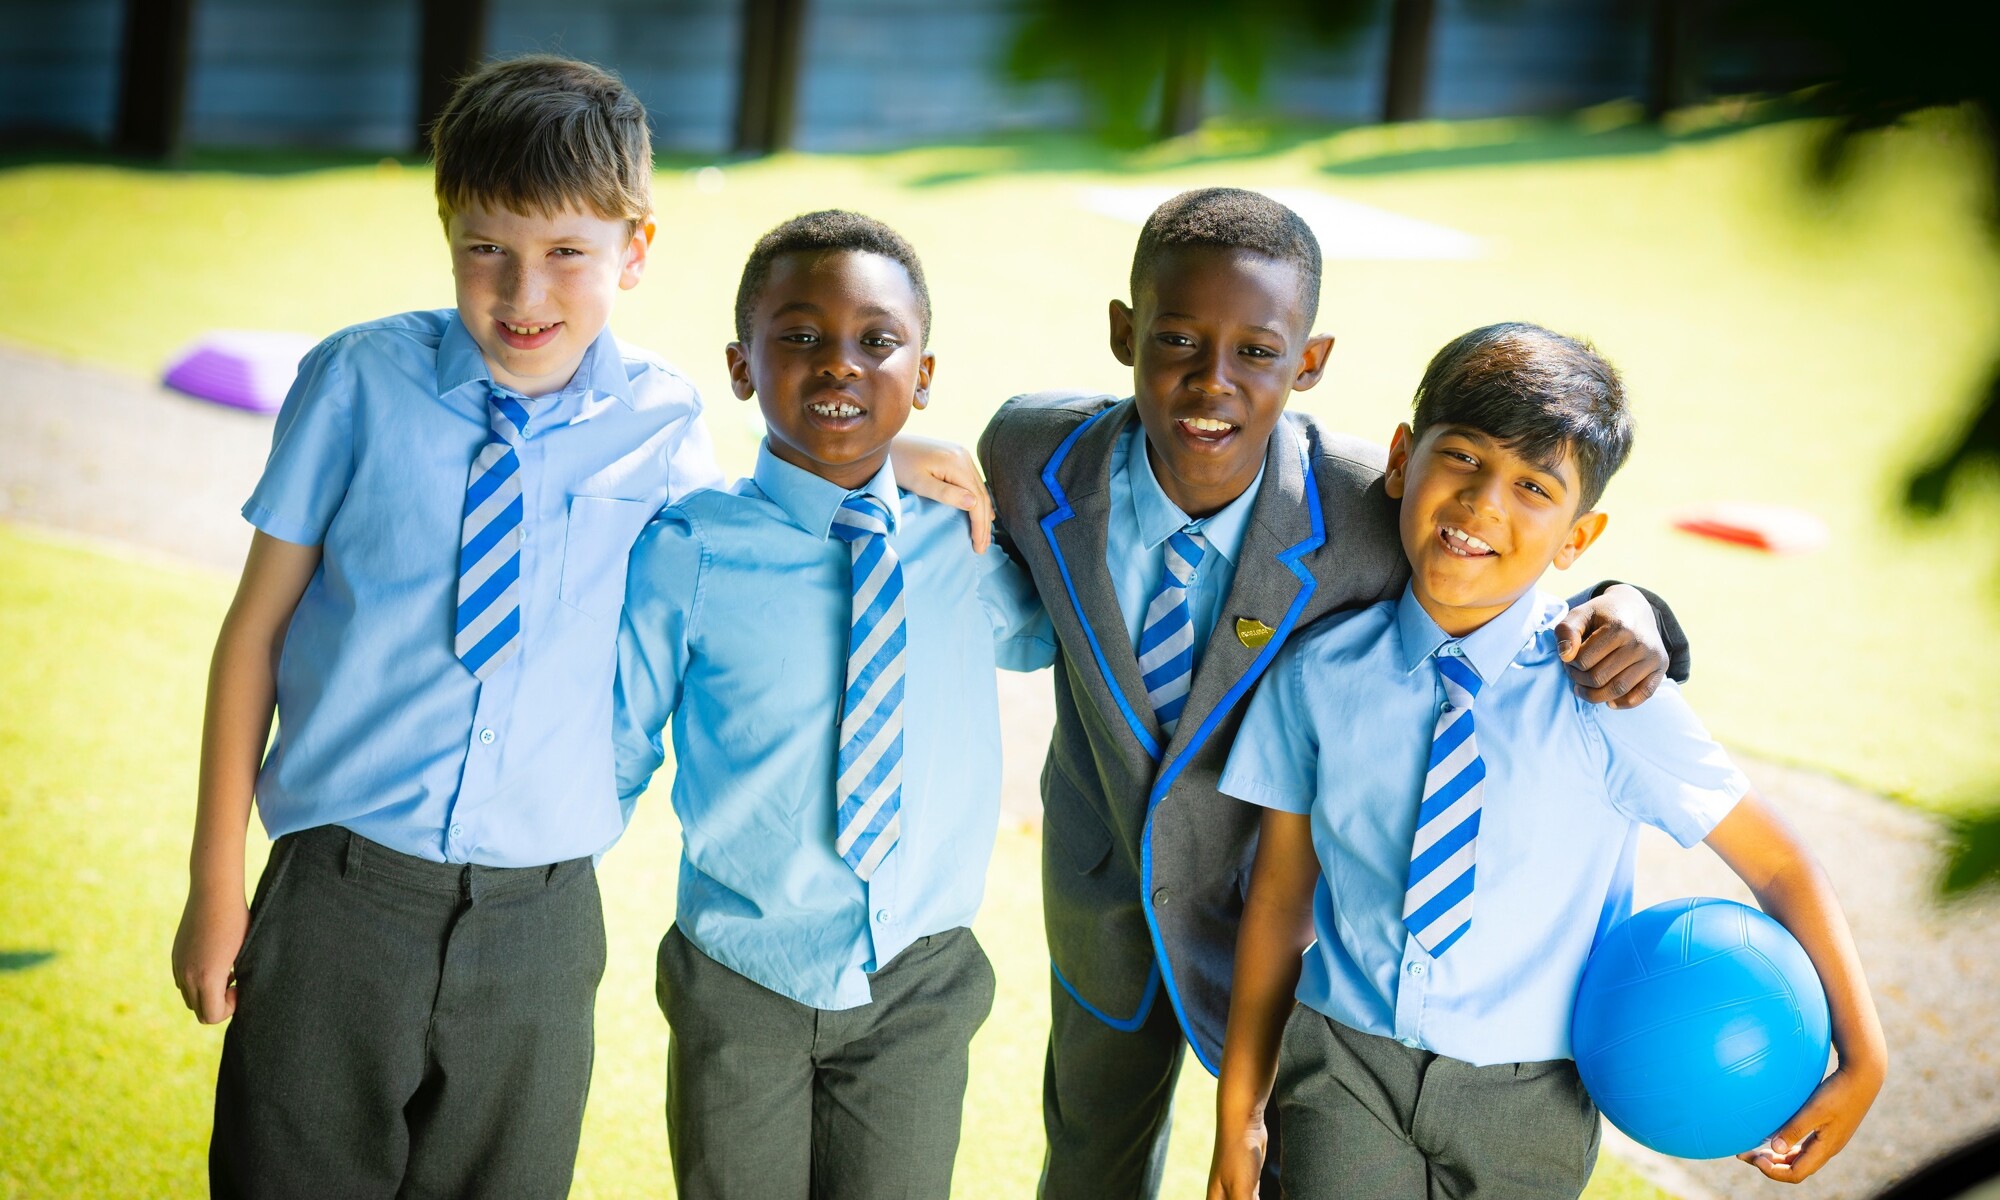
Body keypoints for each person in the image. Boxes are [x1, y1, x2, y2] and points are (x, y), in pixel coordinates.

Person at [169, 59, 985, 1198]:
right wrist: (218, 882)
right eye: (485, 249)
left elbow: (757, 522)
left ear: (634, 251)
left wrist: (872, 447)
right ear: (448, 233)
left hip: (542, 917)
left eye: (566, 253)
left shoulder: (660, 422)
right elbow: (252, 634)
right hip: (338, 889)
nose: (522, 292)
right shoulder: (357, 382)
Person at [977, 188, 1689, 1199]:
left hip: (1301, 931)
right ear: (1122, 332)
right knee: (1088, 1160)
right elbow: (953, 512)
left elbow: (1501, 559)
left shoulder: (1365, 503)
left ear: (1306, 364)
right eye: (1175, 339)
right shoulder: (1031, 453)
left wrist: (1634, 605)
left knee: (1295, 1167)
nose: (1209, 381)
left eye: (1257, 352)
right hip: (1106, 898)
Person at [1208, 322, 1885, 1197]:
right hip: (1339, 1071)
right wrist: (1240, 1115)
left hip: (1532, 1102)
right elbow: (1277, 899)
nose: (1485, 504)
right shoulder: (1316, 676)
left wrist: (1864, 1057)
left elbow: (1782, 864)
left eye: (1533, 485)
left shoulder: (1612, 695)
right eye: (1461, 458)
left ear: (1579, 535)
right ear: (1403, 459)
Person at [613, 210, 1055, 1200]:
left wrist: (911, 468)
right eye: (800, 337)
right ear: (741, 364)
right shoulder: (690, 550)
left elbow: (1049, 633)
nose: (839, 365)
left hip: (918, 980)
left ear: (924, 374)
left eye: (877, 342)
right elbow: (611, 748)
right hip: (742, 972)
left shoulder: (961, 538)